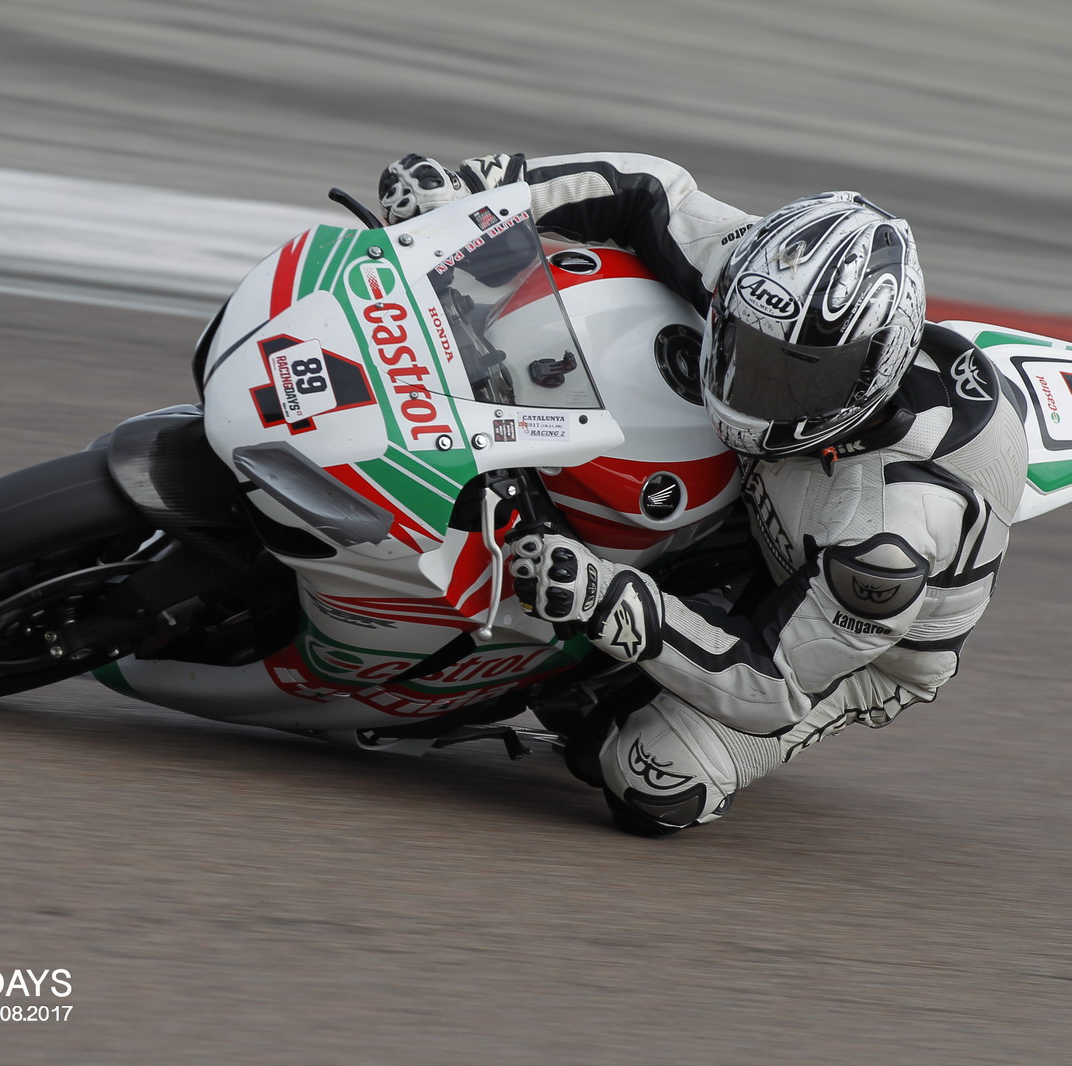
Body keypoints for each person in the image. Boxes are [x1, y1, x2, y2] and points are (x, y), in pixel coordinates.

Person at [377, 152, 1027, 835]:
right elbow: (648, 192)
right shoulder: (766, 289)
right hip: (768, 496)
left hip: (844, 649)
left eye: (795, 377)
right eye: (746, 346)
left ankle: (604, 685)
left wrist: (607, 599)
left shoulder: (886, 539)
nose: (756, 386)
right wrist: (474, 199)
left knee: (650, 776)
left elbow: (773, 684)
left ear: (872, 373)